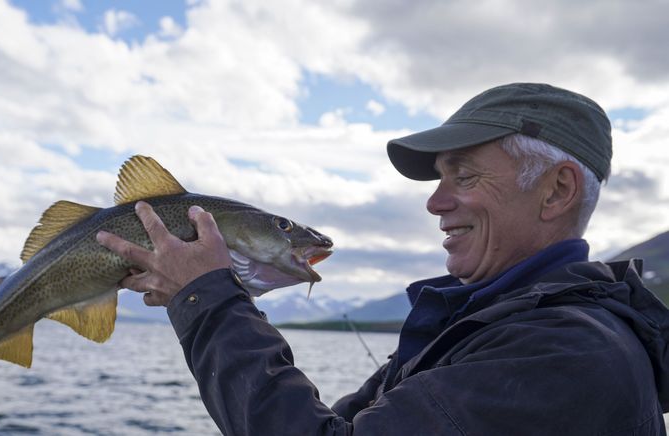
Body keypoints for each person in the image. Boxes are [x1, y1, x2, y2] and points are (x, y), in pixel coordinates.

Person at [96, 83, 669, 435]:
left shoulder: (563, 352)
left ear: (557, 191)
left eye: (463, 176)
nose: (435, 202)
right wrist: (215, 292)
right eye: (440, 179)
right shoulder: (484, 325)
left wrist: (210, 301)